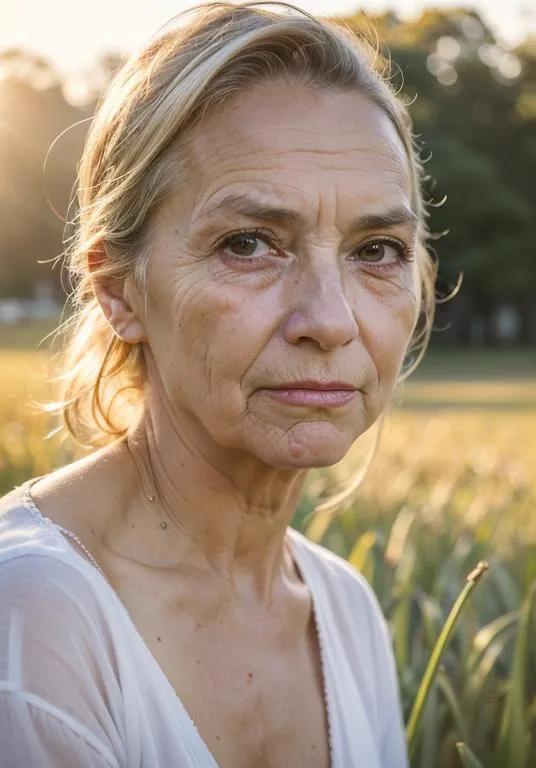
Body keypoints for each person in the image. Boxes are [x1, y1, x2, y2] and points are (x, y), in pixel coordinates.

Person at [0, 3, 435, 766]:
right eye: (249, 243)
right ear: (119, 290)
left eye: (377, 249)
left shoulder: (345, 609)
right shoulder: (33, 620)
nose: (330, 321)